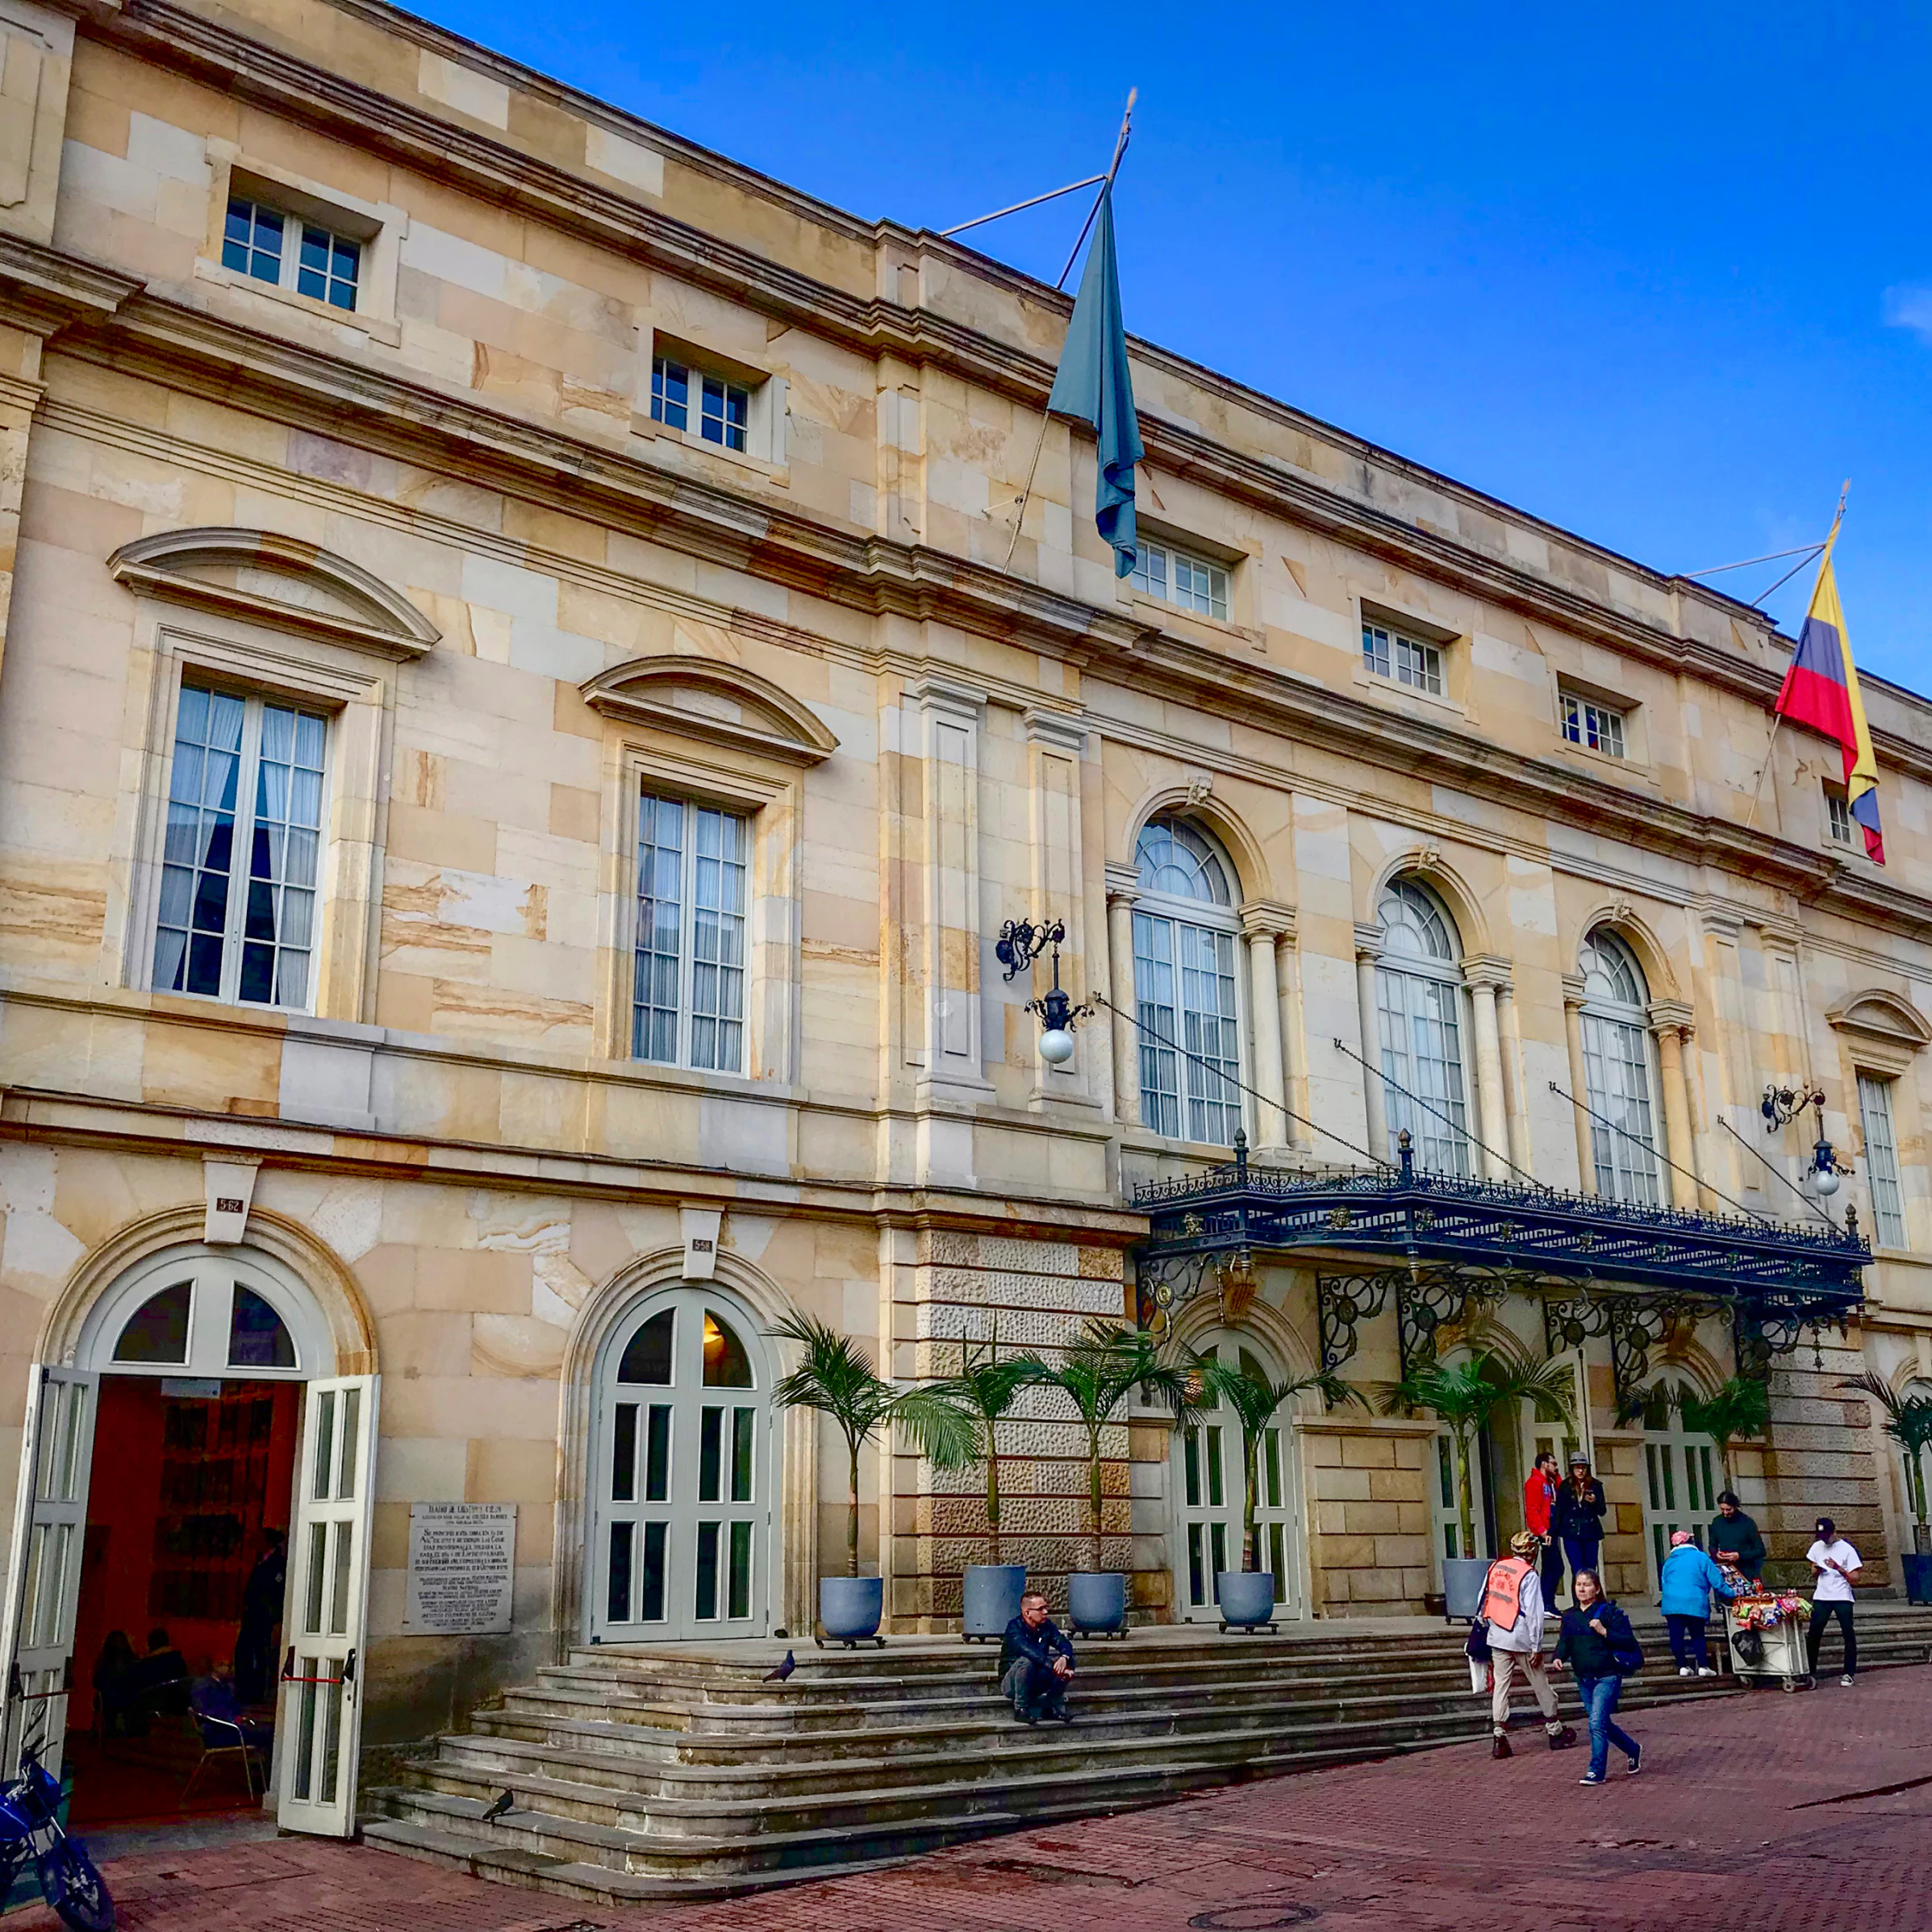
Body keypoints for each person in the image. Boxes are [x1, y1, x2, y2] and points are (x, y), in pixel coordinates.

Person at [1479, 1529, 1578, 1759]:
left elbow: (1482, 1599)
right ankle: (1555, 1732)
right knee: (1540, 1683)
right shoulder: (1529, 1575)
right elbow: (1534, 1614)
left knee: (1501, 1688)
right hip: (1521, 1637)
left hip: (1498, 1635)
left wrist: (1487, 1626)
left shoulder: (1496, 1567)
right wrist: (1537, 1647)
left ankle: (1499, 1737)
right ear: (1532, 1552)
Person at [1552, 1568, 1642, 1785]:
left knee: (1595, 1723)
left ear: (1597, 1588)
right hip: (1584, 1677)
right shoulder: (1570, 1615)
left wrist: (1604, 1632)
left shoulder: (1609, 1613)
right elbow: (1565, 1641)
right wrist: (1558, 1657)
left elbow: (1628, 1642)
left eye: (1587, 1584)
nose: (1582, 1589)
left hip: (1607, 1676)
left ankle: (1596, 1771)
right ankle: (1633, 1749)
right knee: (1601, 1723)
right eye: (1578, 1585)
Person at [1659, 1528, 1736, 1675]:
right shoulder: (1701, 1557)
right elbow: (1717, 1581)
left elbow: (1664, 1582)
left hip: (1671, 1603)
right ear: (1691, 1542)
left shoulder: (1668, 1562)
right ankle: (1702, 1667)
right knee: (1698, 1635)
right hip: (1694, 1601)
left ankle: (1682, 1666)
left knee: (1676, 1636)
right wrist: (1733, 1594)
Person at [1000, 1591, 1075, 1725]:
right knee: (1027, 1661)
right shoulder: (1014, 1628)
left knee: (1069, 1660)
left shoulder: (1047, 1626)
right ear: (1027, 1613)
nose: (1045, 1612)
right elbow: (1031, 1653)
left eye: (1046, 1608)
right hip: (1012, 1682)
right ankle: (1021, 1709)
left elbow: (1063, 1643)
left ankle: (1050, 1707)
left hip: (1036, 1677)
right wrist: (1054, 1668)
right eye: (1041, 1609)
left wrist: (1064, 1657)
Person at [1805, 1516, 1863, 1686]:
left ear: (1834, 1532)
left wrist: (1839, 1568)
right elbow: (1812, 1569)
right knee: (1814, 1632)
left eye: (1827, 1537)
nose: (1825, 1541)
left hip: (1842, 1596)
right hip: (1822, 1595)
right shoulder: (1817, 1547)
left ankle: (1849, 1672)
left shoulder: (1847, 1549)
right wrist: (1817, 1570)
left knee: (1847, 1632)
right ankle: (1810, 1670)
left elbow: (1855, 1577)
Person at [234, 1526, 287, 1704]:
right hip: (253, 1614)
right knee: (245, 1653)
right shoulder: (262, 1561)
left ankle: (255, 1692)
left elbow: (274, 1592)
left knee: (258, 1655)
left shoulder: (277, 1563)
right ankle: (245, 1689)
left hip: (263, 1616)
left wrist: (272, 1616)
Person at [1550, 1453, 1607, 1589]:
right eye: (1577, 1468)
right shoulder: (1565, 1486)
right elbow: (1559, 1511)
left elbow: (1602, 1511)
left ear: (1587, 1469)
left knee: (1590, 1570)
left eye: (1583, 1468)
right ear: (1572, 1469)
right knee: (1577, 1569)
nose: (1580, 1471)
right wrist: (1552, 1533)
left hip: (1590, 1532)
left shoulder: (1596, 1485)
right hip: (1571, 1533)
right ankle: (1578, 1605)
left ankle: (1591, 1603)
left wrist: (1594, 1502)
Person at [1523, 1450, 1563, 1609]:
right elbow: (1532, 1509)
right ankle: (1546, 1603)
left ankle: (1547, 1603)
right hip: (1544, 1531)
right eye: (1553, 1463)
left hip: (1551, 1529)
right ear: (1544, 1464)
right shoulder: (1535, 1482)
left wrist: (1556, 1476)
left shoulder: (1550, 1483)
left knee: (1551, 1566)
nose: (1555, 1467)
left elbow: (1562, 1491)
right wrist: (1542, 1531)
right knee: (1555, 1566)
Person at [1707, 1491, 1766, 1582]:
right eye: (1722, 1509)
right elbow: (1712, 1545)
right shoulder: (1717, 1522)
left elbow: (1760, 1550)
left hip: (1746, 1571)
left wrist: (1739, 1555)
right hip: (1726, 1571)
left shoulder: (1747, 1523)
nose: (1725, 1513)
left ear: (1735, 1507)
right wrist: (1716, 1554)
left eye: (1729, 1509)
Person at [92, 1630, 140, 1740]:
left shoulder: (104, 1659)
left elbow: (96, 1682)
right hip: (119, 1698)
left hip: (115, 1698)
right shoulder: (132, 1659)